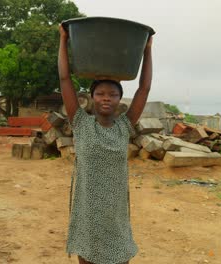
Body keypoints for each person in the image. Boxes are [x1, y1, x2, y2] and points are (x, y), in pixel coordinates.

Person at [58, 24, 153, 264]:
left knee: (120, 257)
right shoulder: (81, 123)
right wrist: (63, 40)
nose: (106, 98)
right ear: (91, 98)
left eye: (112, 94)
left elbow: (144, 89)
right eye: (100, 93)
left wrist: (147, 51)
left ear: (120, 99)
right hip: (87, 213)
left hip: (115, 215)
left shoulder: (125, 126)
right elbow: (64, 78)